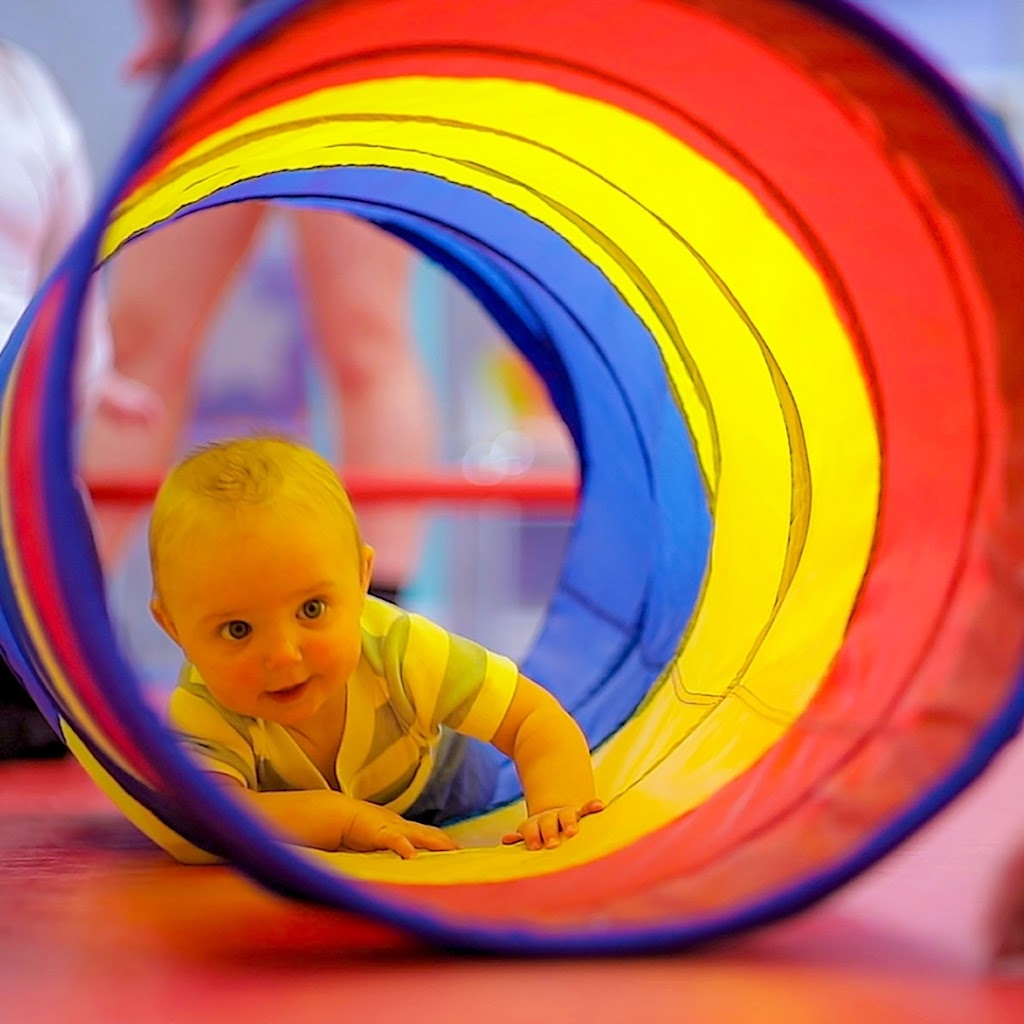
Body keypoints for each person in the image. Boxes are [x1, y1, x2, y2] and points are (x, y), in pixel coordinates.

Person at [80, 0, 439, 607]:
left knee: (364, 335)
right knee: (140, 341)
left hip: (346, 46)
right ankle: (61, 612)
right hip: (214, 57)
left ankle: (380, 614)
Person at [149, 436, 603, 857]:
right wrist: (343, 821)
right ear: (174, 628)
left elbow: (532, 717)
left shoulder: (400, 650)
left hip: (443, 788)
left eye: (311, 609)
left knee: (479, 755)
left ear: (363, 578)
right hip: (327, 820)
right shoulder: (201, 708)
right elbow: (210, 818)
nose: (284, 654)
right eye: (237, 630)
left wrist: (556, 806)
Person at [0, 40, 159, 760]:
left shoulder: (26, 90)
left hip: (16, 402)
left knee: (47, 523)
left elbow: (72, 263)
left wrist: (92, 374)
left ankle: (48, 686)